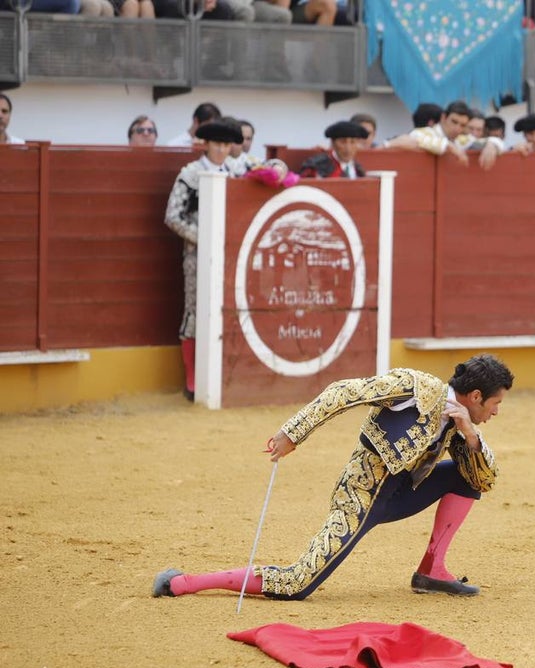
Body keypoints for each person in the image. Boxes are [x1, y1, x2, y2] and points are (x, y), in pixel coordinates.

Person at [152, 354, 514, 600]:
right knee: (298, 584)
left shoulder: (461, 424)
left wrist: (470, 435)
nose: (496, 412)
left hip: (402, 492)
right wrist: (293, 433)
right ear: (477, 396)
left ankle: (432, 570)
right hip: (359, 497)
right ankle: (183, 583)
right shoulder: (414, 387)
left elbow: (484, 479)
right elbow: (343, 392)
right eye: (495, 404)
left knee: (465, 476)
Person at [163, 120, 245, 401]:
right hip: (197, 255)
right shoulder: (191, 174)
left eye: (226, 145)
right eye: (216, 144)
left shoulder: (236, 172)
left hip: (233, 256)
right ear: (205, 144)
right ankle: (192, 379)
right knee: (195, 310)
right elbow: (173, 216)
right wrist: (207, 238)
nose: (221, 150)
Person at [409, 100, 506, 170]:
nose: (457, 129)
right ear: (443, 118)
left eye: (462, 125)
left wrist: (491, 145)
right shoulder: (427, 132)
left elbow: (496, 142)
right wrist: (450, 146)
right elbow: (415, 136)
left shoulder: (460, 139)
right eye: (454, 122)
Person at [299, 120, 369, 178]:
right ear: (333, 143)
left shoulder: (359, 169)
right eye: (343, 142)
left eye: (353, 142)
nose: (348, 148)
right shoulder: (317, 167)